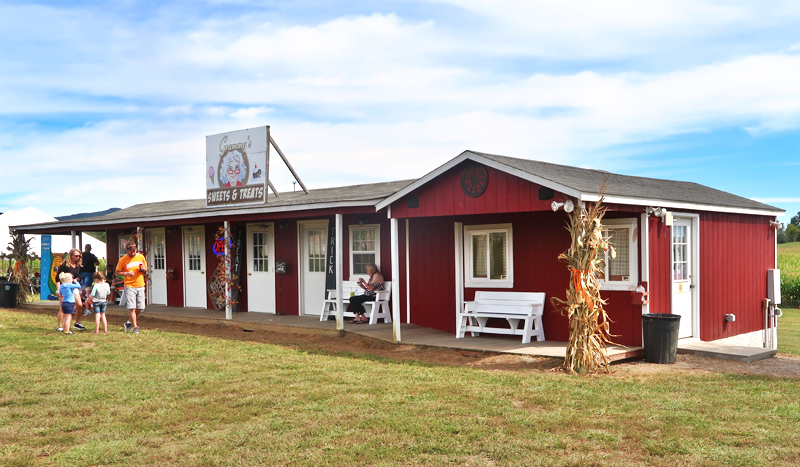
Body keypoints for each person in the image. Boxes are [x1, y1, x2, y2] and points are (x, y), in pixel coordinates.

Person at [116, 243, 148, 334]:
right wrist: (126, 274)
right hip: (129, 285)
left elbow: (146, 268)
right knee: (132, 307)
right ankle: (135, 327)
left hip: (140, 284)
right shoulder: (123, 260)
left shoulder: (141, 257)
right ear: (127, 250)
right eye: (131, 252)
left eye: (134, 251)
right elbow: (117, 272)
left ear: (136, 249)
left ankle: (128, 322)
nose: (133, 253)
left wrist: (143, 269)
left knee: (141, 307)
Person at [56, 248, 87, 331]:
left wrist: (78, 279)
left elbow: (76, 275)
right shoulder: (65, 265)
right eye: (76, 256)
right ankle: (59, 326)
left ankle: (77, 323)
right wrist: (58, 289)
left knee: (80, 305)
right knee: (62, 307)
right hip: (65, 288)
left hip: (73, 287)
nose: (78, 258)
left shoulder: (78, 265)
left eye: (79, 256)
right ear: (71, 256)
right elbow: (58, 277)